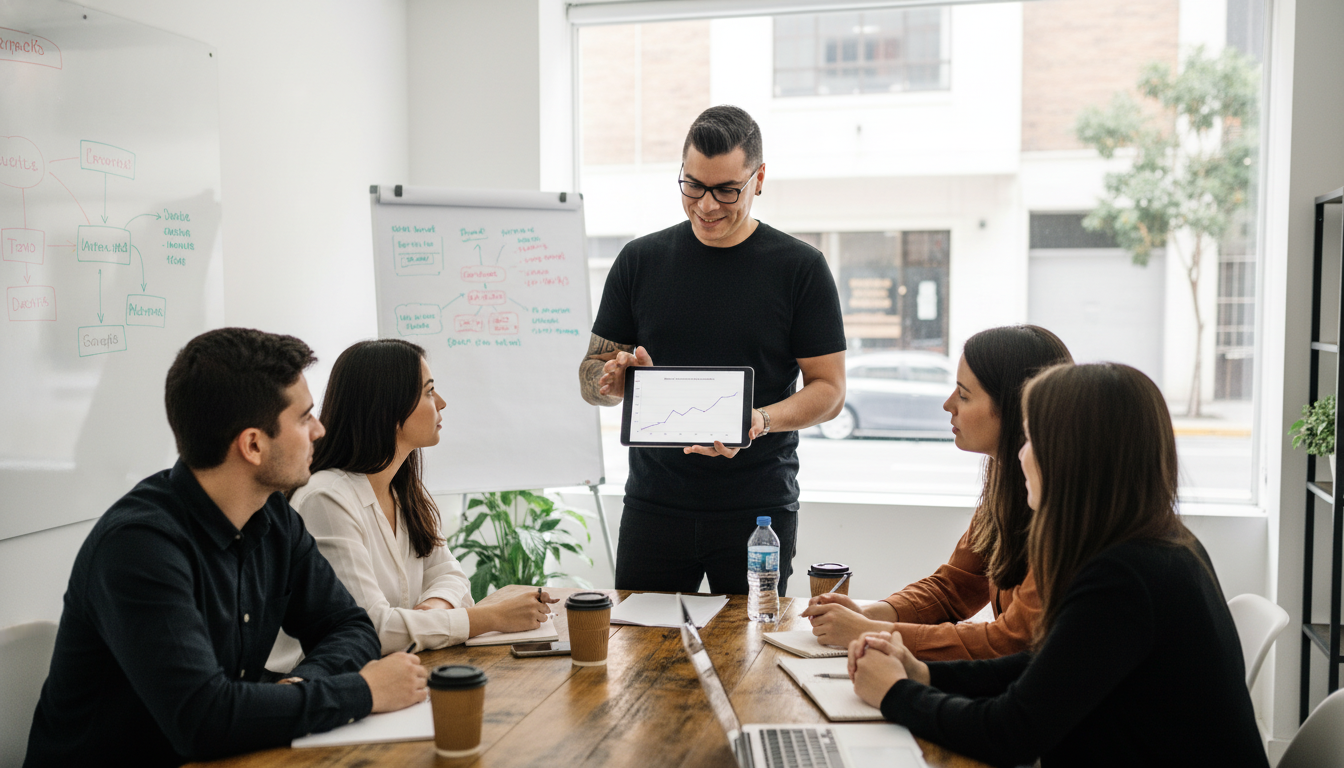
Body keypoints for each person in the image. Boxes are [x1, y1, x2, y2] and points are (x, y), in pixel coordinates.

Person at [24, 329, 427, 768]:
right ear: (253, 445)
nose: (319, 430)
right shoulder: (138, 549)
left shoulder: (274, 518)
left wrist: (295, 691)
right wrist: (363, 691)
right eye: (304, 417)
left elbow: (349, 626)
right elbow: (204, 721)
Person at [847, 363, 1269, 767]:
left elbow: (1010, 734)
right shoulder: (1153, 543)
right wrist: (924, 674)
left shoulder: (1125, 576)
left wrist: (894, 692)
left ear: (1070, 457)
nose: (1020, 456)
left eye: (1030, 440)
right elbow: (1043, 668)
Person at [579, 105, 847, 596]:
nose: (706, 205)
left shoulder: (800, 268)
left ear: (759, 178)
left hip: (757, 510)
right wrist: (610, 381)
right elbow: (591, 381)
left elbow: (829, 391)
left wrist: (760, 420)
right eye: (692, 185)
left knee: (752, 656)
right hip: (654, 506)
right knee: (642, 655)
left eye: (727, 190)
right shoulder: (639, 261)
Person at [268, 339, 555, 669]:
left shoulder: (403, 489)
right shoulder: (326, 498)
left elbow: (452, 577)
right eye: (429, 392)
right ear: (388, 407)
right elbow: (372, 628)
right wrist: (489, 618)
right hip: (323, 685)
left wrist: (427, 614)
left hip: (398, 667)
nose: (442, 403)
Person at [803, 325, 1071, 659]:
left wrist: (871, 632)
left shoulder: (1062, 514)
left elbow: (1010, 642)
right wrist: (870, 614)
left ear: (1014, 408)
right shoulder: (1007, 486)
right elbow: (956, 585)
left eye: (964, 395)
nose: (948, 405)